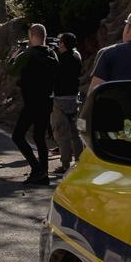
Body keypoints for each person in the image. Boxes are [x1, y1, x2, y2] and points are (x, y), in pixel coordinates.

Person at [10, 24, 58, 184]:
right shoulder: (53, 53)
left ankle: (37, 169)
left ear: (31, 36)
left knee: (17, 136)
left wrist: (14, 55)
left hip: (31, 102)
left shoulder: (27, 54)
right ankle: (43, 174)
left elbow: (11, 71)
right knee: (39, 137)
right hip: (47, 101)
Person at [50, 32, 84, 173]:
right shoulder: (77, 57)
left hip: (60, 99)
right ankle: (80, 161)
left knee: (62, 133)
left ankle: (65, 164)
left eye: (60, 42)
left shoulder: (59, 59)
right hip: (74, 98)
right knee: (76, 132)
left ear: (63, 44)